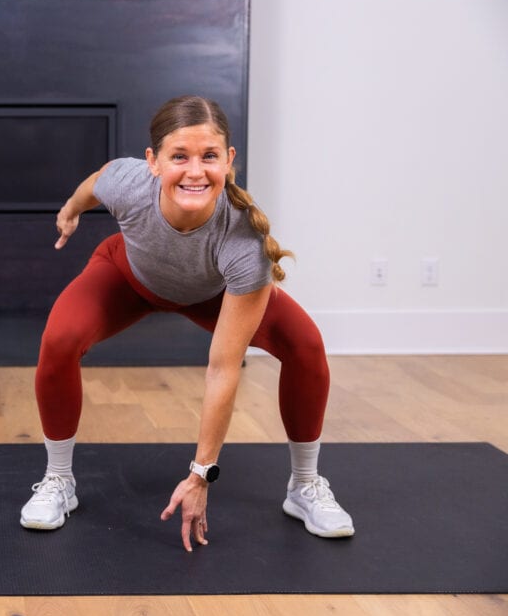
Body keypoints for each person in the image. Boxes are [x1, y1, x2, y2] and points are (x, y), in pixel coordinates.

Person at [18, 95, 354, 550]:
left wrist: (201, 475)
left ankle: (305, 485)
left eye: (209, 157)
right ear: (153, 162)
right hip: (129, 278)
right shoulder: (129, 183)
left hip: (213, 295)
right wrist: (70, 211)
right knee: (58, 339)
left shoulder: (243, 242)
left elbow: (221, 368)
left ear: (229, 161)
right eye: (180, 157)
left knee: (306, 344)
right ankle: (59, 480)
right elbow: (96, 182)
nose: (195, 172)